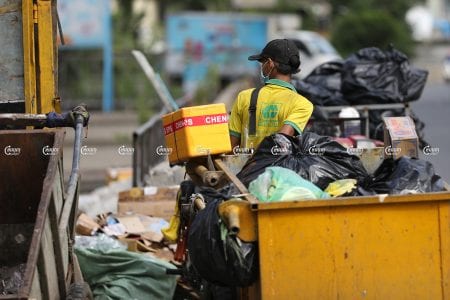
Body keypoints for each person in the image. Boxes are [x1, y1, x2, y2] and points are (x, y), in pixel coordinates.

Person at [229, 39, 313, 150]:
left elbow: (231, 147)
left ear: (270, 63)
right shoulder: (303, 105)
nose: (261, 67)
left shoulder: (244, 97)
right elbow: (281, 143)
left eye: (262, 63)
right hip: (279, 167)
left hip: (246, 166)